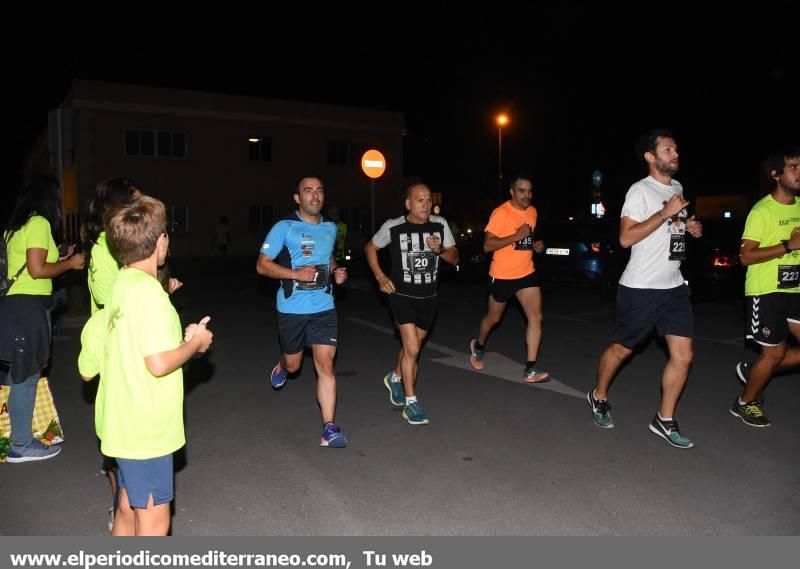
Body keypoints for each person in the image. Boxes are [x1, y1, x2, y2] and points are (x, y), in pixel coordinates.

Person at [78, 195, 213, 536]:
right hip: (146, 432)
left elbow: (87, 367)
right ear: (161, 241)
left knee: (126, 508)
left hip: (118, 428)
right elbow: (156, 363)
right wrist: (195, 344)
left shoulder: (118, 288)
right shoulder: (152, 295)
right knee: (153, 522)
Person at [586, 129, 702, 449]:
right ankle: (598, 395)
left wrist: (688, 225)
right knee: (623, 349)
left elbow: (671, 228)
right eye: (667, 149)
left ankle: (664, 419)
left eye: (676, 148)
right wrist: (664, 212)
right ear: (651, 157)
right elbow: (626, 238)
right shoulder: (639, 191)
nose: (674, 153)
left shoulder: (677, 187)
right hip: (641, 288)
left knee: (684, 355)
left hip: (674, 286)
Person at [256, 176, 348, 447]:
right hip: (292, 309)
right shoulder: (284, 227)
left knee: (326, 365)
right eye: (308, 191)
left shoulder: (330, 228)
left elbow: (328, 256)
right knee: (294, 365)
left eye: (320, 190)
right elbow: (262, 265)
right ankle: (283, 365)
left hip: (324, 307)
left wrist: (335, 271)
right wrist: (295, 273)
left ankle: (329, 428)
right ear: (298, 198)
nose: (315, 196)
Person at [0, 175, 84, 463]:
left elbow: (29, 262)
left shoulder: (17, 226)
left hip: (13, 306)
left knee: (16, 372)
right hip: (28, 308)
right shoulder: (39, 223)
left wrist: (60, 255)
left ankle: (16, 436)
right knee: (26, 372)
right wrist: (70, 264)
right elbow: (36, 270)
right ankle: (21, 443)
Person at [365, 183, 458, 425]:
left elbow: (455, 257)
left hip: (429, 297)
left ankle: (395, 377)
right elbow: (370, 248)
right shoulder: (393, 227)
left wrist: (440, 250)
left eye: (428, 200)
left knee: (411, 348)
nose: (425, 204)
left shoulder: (440, 224)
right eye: (420, 200)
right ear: (408, 204)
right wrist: (380, 276)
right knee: (413, 349)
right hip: (401, 296)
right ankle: (411, 403)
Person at [733, 148, 800, 428]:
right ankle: (745, 403)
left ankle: (754, 370)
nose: (799, 172)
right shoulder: (761, 211)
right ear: (776, 175)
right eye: (794, 167)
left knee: (771, 359)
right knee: (773, 354)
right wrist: (788, 246)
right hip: (766, 290)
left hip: (795, 288)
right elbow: (745, 256)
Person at [468, 173, 549, 382]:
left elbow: (524, 243)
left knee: (536, 317)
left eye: (530, 191)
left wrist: (535, 246)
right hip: (502, 276)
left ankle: (530, 368)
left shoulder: (533, 212)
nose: (527, 195)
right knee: (493, 318)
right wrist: (516, 236)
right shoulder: (501, 213)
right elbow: (487, 246)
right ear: (512, 192)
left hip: (526, 273)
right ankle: (479, 345)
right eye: (522, 191)